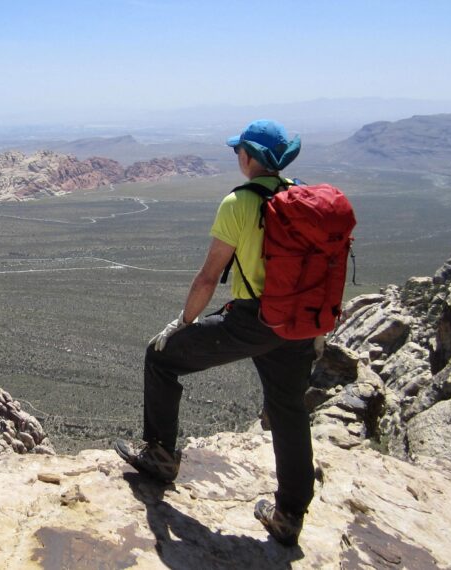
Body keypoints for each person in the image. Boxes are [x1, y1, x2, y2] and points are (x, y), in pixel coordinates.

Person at [113, 119, 316, 547]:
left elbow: (208, 277)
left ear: (249, 158)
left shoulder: (239, 202)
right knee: (289, 411)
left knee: (161, 357)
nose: (235, 157)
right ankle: (289, 517)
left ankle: (161, 456)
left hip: (254, 320)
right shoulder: (300, 194)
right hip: (298, 322)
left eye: (238, 151)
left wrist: (182, 323)